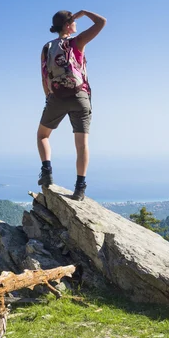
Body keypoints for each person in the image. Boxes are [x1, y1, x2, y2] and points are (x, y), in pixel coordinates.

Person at [37, 10, 106, 200]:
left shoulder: (47, 47)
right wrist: (82, 12)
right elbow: (102, 22)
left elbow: (45, 77)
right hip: (80, 97)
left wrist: (49, 99)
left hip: (56, 98)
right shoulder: (76, 42)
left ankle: (47, 172)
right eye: (73, 21)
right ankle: (80, 188)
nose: (76, 24)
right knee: (82, 145)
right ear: (68, 25)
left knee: (43, 135)